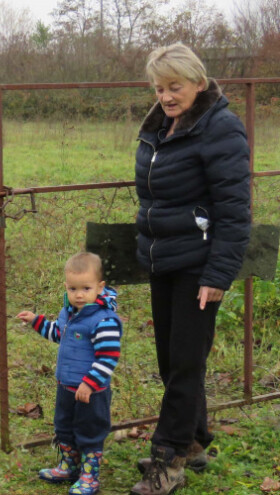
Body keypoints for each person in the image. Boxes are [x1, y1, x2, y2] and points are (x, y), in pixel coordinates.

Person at [130, 43, 251, 495]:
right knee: (174, 360)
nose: (166, 95)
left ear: (199, 83)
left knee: (183, 363)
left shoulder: (220, 128)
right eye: (159, 88)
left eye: (174, 86)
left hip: (199, 265)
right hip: (164, 259)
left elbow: (235, 212)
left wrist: (218, 275)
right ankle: (195, 438)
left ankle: (169, 460)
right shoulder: (160, 125)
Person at [17, 252, 122, 495]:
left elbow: (108, 357)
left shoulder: (103, 320)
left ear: (100, 287)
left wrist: (89, 383)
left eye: (86, 288)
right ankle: (69, 465)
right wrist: (36, 321)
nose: (79, 294)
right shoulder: (70, 312)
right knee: (63, 426)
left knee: (89, 432)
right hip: (66, 386)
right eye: (73, 288)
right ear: (66, 286)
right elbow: (57, 333)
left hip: (91, 392)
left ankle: (89, 476)